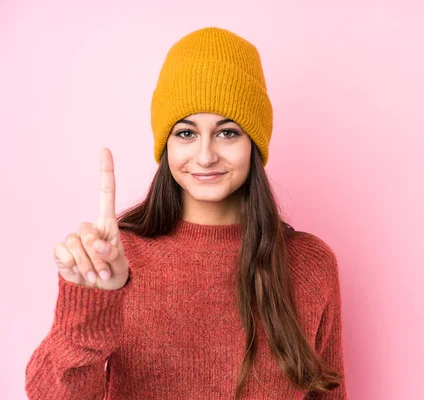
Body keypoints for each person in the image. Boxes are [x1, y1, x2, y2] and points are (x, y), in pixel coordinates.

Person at [24, 27, 347, 399]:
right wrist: (89, 307)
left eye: (227, 133)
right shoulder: (117, 260)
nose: (206, 155)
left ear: (254, 144)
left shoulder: (309, 263)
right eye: (186, 133)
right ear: (166, 145)